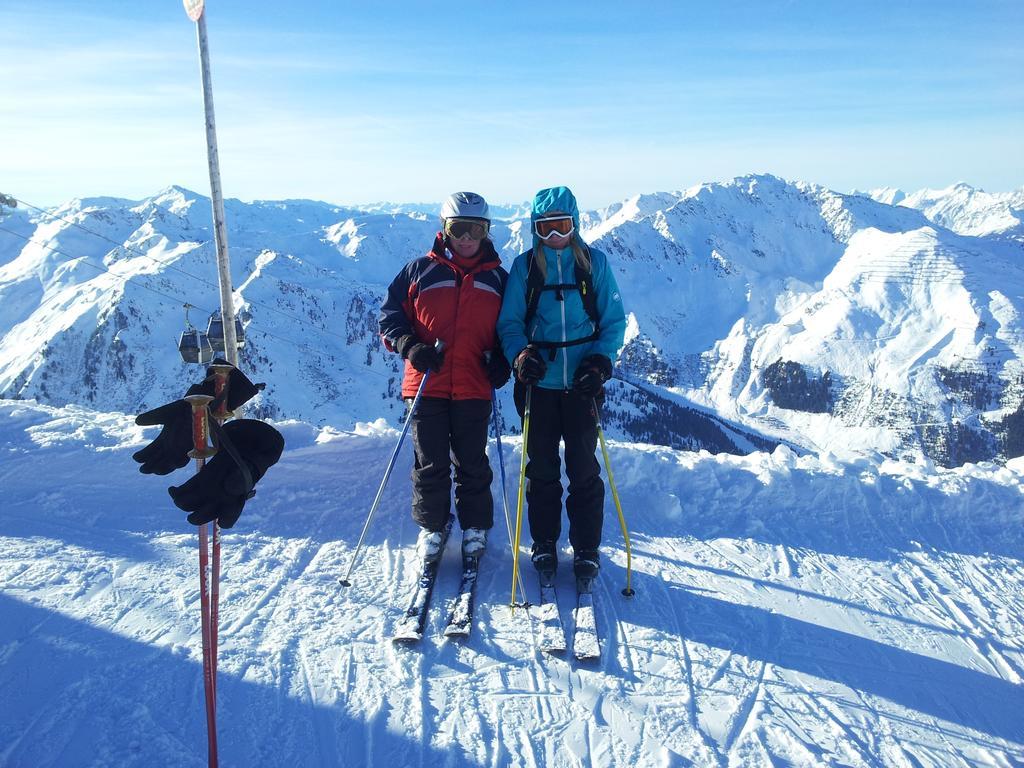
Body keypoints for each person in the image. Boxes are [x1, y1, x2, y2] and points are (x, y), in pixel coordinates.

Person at [497, 186, 626, 581]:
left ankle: (586, 547)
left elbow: (614, 322)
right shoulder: (525, 268)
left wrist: (601, 361)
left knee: (584, 468)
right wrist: (521, 355)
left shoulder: (593, 265)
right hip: (539, 384)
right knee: (542, 468)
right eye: (546, 227)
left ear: (575, 223)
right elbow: (510, 323)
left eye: (562, 226)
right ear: (535, 229)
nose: (555, 235)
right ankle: (544, 543)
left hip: (583, 384)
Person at [379, 192, 512, 563]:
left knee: (472, 460)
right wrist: (410, 346)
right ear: (444, 229)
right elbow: (390, 317)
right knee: (430, 461)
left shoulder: (500, 279)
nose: (467, 238)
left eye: (476, 229)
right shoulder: (419, 271)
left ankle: (475, 526)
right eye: (459, 228)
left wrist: (502, 359)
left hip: (473, 382)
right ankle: (432, 527)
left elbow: (512, 327)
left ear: (487, 231)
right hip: (426, 382)